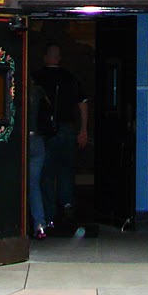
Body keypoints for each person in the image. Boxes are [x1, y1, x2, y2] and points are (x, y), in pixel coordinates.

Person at [29, 42, 88, 238]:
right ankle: (67, 204)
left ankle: (49, 214)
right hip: (67, 129)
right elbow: (82, 104)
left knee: (45, 174)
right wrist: (83, 129)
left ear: (46, 57)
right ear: (59, 58)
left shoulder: (36, 78)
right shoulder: (70, 77)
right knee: (66, 170)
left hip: (44, 132)